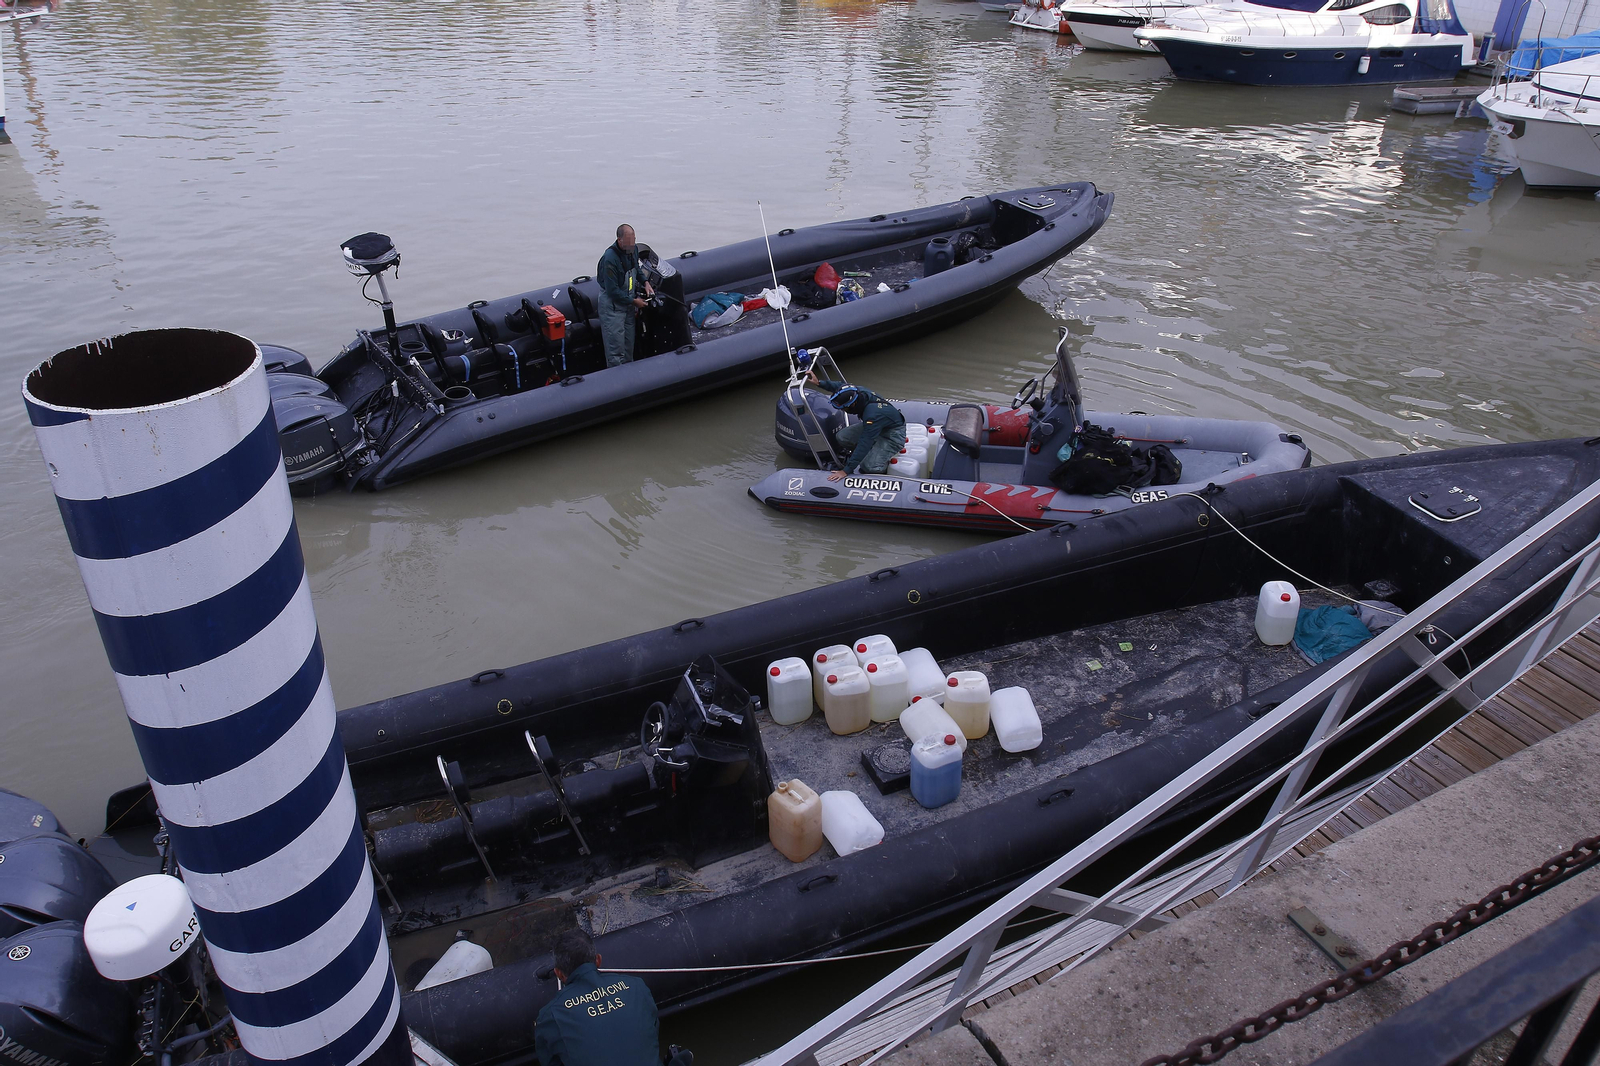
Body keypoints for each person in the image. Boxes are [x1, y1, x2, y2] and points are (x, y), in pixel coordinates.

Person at [534, 928, 689, 1066]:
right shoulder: (636, 987)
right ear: (598, 960)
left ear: (559, 974)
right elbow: (651, 1032)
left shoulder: (550, 1016)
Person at [807, 369, 908, 480]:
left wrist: (846, 470)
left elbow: (865, 442)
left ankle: (881, 463)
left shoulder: (872, 415)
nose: (845, 411)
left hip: (892, 435)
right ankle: (873, 452)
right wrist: (819, 383)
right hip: (880, 426)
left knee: (869, 466)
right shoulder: (858, 391)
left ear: (853, 404)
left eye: (845, 408)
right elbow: (840, 387)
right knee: (842, 437)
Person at [597, 224, 653, 368]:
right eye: (628, 242)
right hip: (613, 308)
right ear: (619, 240)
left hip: (628, 305)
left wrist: (645, 282)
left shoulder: (633, 249)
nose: (631, 245)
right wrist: (635, 301)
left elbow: (636, 269)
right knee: (616, 350)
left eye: (633, 241)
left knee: (629, 346)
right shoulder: (610, 259)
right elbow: (612, 291)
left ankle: (630, 375)